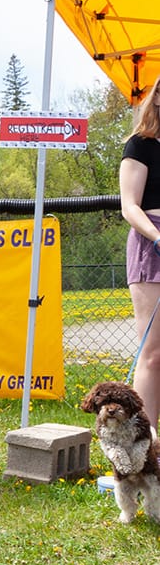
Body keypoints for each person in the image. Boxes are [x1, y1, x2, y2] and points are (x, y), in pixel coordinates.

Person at [120, 74, 160, 432]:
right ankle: (144, 445)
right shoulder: (141, 145)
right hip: (153, 247)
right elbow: (129, 206)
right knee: (154, 354)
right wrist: (156, 236)